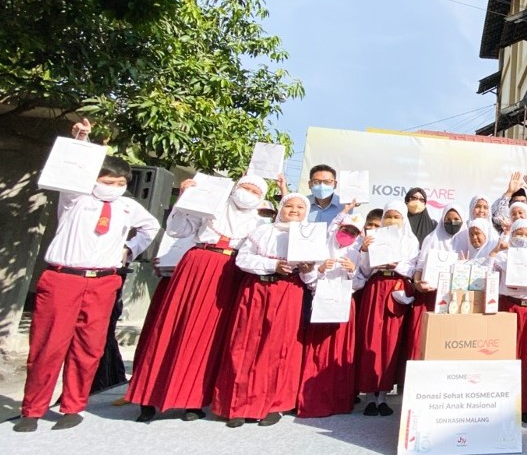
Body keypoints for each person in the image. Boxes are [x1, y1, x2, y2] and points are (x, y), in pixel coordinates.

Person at [14, 119, 160, 433]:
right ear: (95, 178)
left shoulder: (127, 207)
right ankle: (33, 409)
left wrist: (129, 249)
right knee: (48, 345)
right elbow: (73, 169)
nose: (114, 185)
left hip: (104, 280)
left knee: (89, 347)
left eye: (120, 181)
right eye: (108, 178)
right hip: (63, 278)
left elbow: (151, 228)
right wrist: (81, 140)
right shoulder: (76, 198)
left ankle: (73, 405)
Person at [125, 173, 268, 422]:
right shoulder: (212, 207)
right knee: (173, 327)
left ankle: (193, 399)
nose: (247, 194)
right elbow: (178, 230)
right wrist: (186, 200)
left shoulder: (260, 224)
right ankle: (148, 396)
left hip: (232, 273)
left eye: (255, 192)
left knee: (211, 336)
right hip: (198, 264)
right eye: (244, 187)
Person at [213, 194, 316, 427]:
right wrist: (272, 265)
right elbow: (243, 259)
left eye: (300, 207)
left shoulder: (309, 236)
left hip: (289, 291)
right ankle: (237, 404)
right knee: (245, 343)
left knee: (279, 347)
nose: (294, 210)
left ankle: (274, 404)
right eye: (289, 205)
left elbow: (312, 277)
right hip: (257, 289)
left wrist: (308, 268)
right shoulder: (263, 231)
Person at [297, 210, 365, 418]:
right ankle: (311, 398)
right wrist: (319, 270)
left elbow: (361, 282)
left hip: (344, 304)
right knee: (317, 351)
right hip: (321, 303)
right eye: (345, 229)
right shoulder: (322, 247)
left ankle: (339, 400)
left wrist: (353, 270)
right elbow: (307, 279)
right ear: (338, 228)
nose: (348, 234)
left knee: (340, 352)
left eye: (353, 232)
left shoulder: (357, 252)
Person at [354, 201, 419, 416]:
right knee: (370, 338)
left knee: (390, 342)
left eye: (397, 217)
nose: (392, 221)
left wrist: (396, 265)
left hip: (395, 291)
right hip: (375, 289)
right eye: (389, 217)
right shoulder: (373, 238)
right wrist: (364, 251)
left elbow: (412, 268)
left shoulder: (410, 241)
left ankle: (383, 395)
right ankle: (370, 396)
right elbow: (363, 271)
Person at [490, 218, 527, 424]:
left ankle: (526, 404)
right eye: (519, 234)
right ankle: (504, 404)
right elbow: (489, 271)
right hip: (509, 307)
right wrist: (500, 245)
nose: (522, 238)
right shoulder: (503, 256)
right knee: (508, 356)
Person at [408, 204, 466, 361]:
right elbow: (419, 267)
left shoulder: (466, 239)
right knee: (423, 338)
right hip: (429, 296)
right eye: (448, 219)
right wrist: (418, 283)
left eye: (456, 219)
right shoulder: (431, 239)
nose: (452, 222)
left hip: (454, 300)